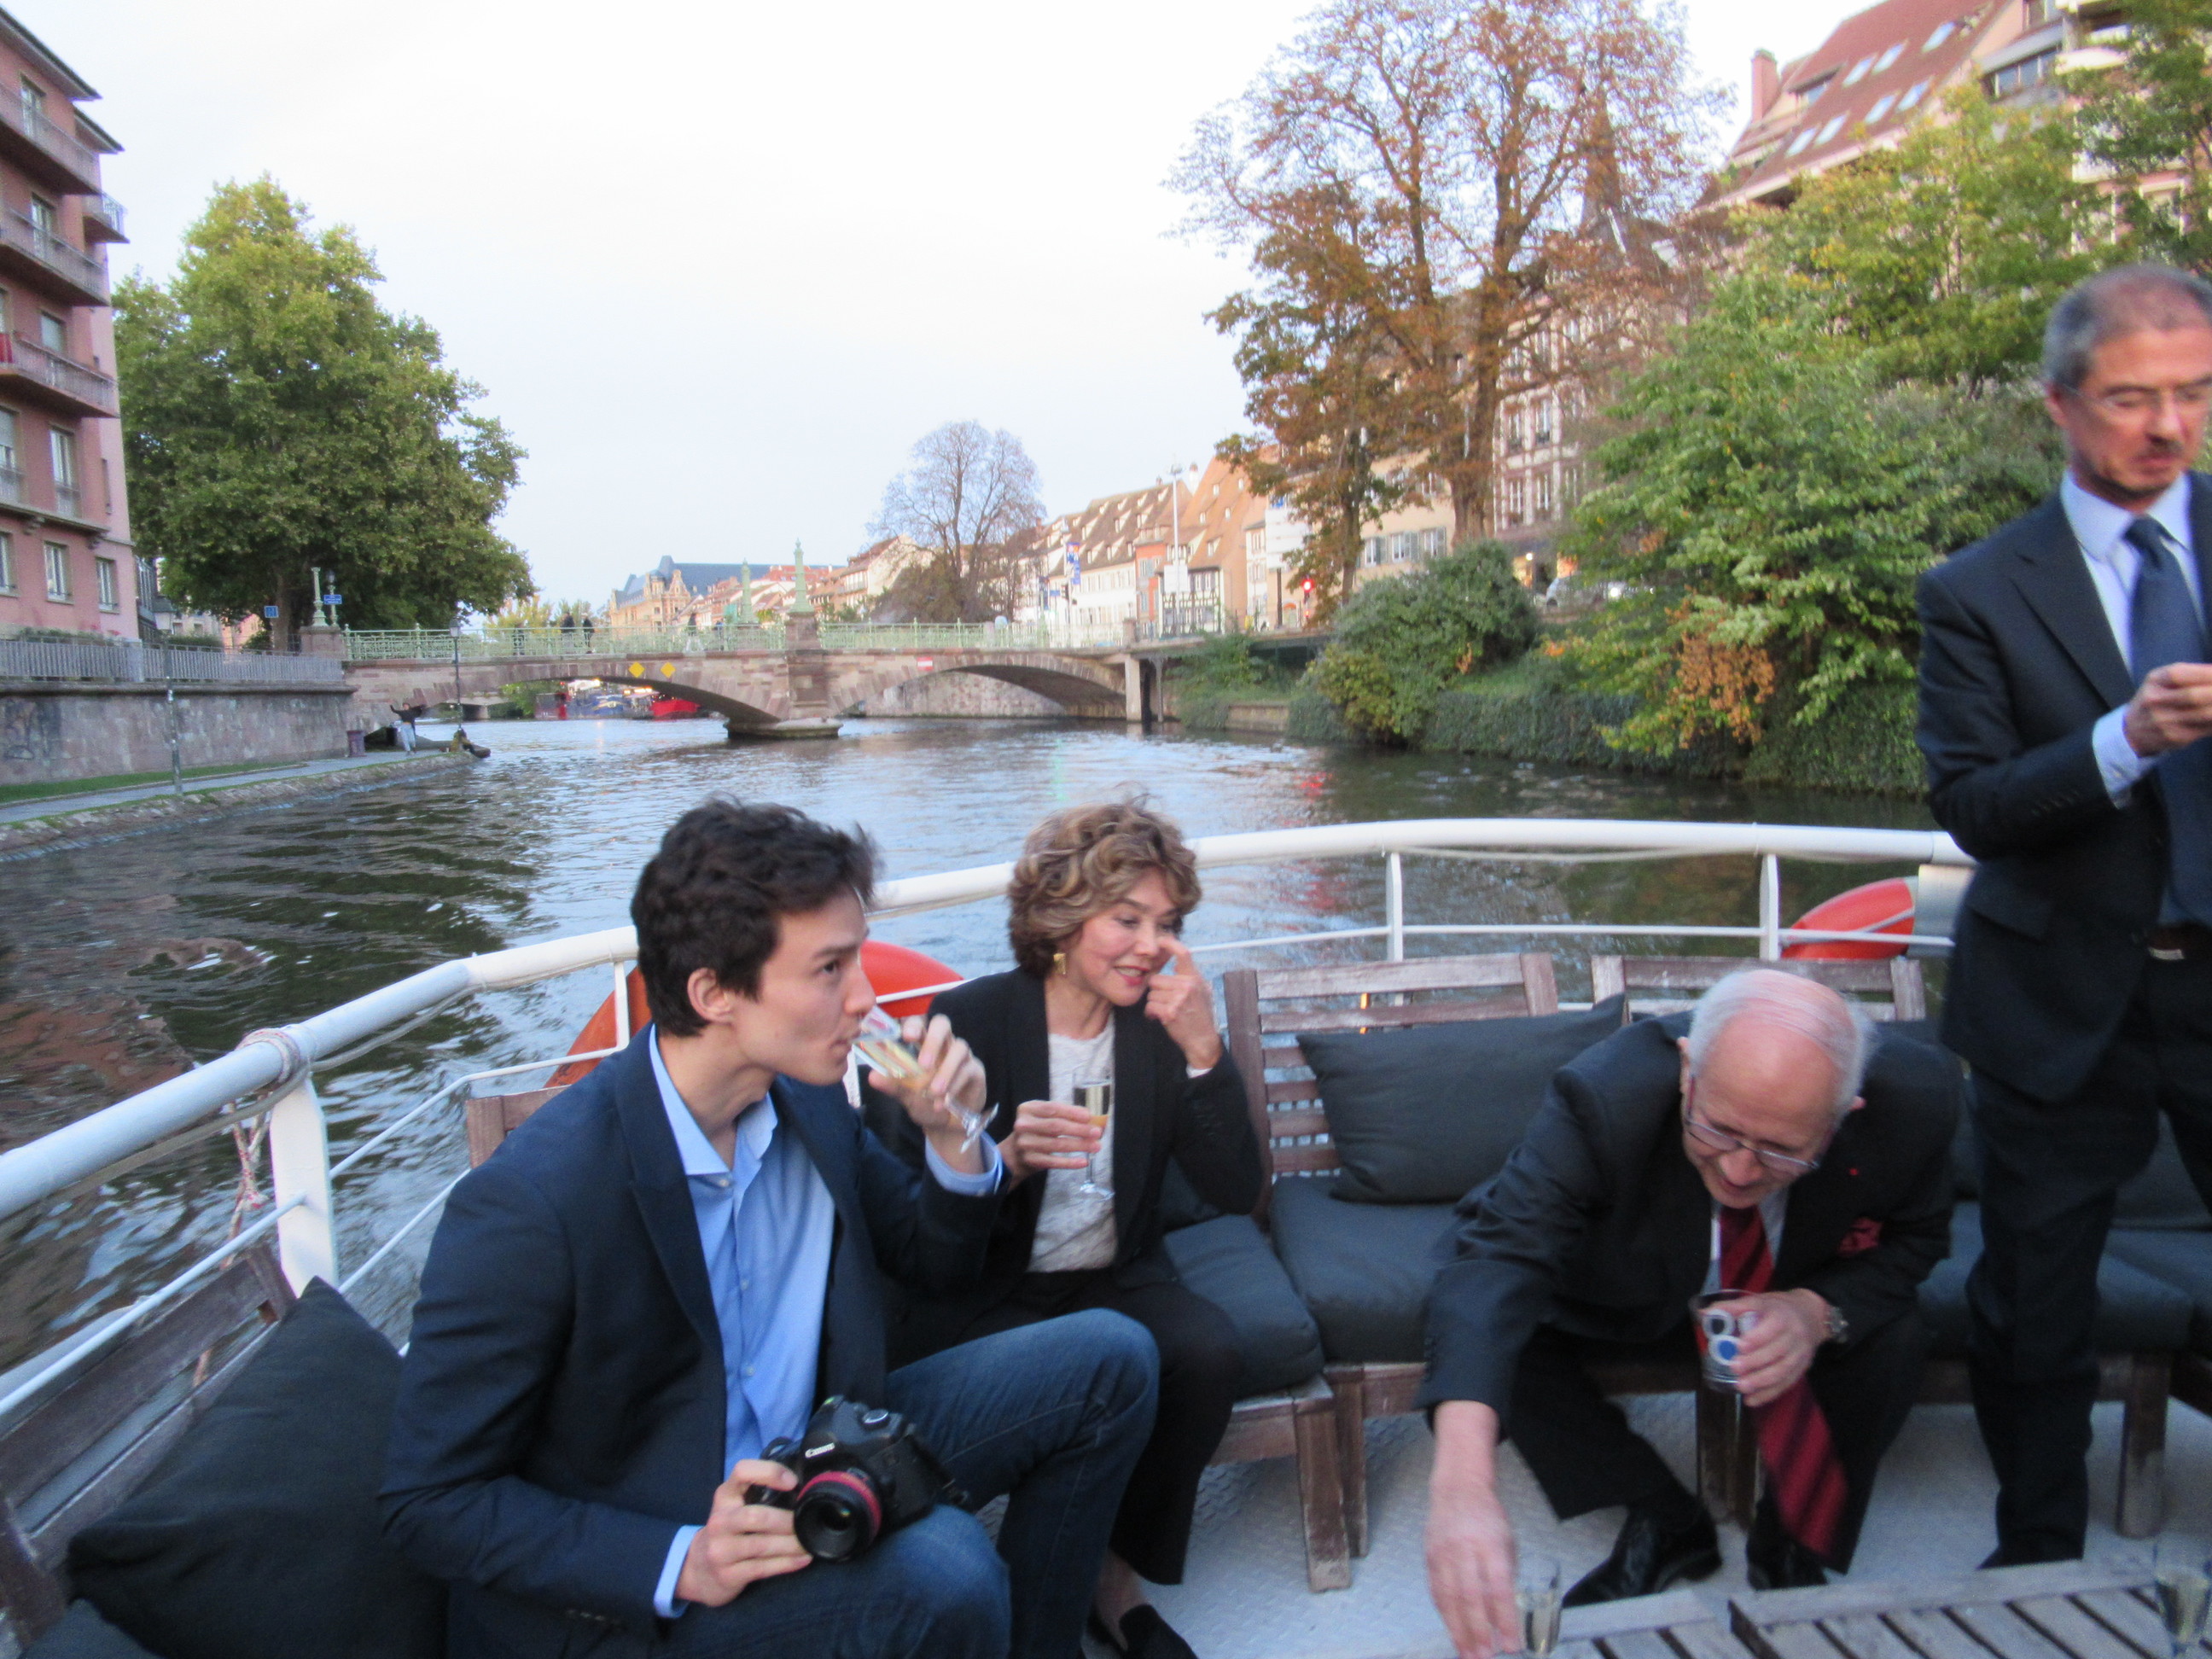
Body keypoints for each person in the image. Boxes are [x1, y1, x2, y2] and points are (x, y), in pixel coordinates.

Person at [381, 800, 1158, 1659]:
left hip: (814, 1459)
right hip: (659, 1579)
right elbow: (430, 1501)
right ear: (714, 992)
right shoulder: (535, 1201)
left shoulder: (808, 1105)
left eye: (857, 958)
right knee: (947, 1570)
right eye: (830, 969)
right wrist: (680, 1560)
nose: (866, 998)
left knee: (1112, 1362)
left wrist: (953, 1139)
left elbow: (931, 1265)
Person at [1915, 262, 2212, 1566]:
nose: (2168, 426)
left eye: (2195, 393)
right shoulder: (1977, 589)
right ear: (2061, 403)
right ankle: (2035, 1555)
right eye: (2133, 398)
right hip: (2055, 1000)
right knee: (2036, 1293)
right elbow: (1973, 805)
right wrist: (2122, 739)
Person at [1422, 970, 1959, 1658]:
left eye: (1782, 1149)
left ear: (1841, 1117)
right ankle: (1662, 1514)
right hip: (1618, 1284)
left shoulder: (1919, 1101)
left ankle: (1790, 1539)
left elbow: (1918, 1241)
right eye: (1718, 1129)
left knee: (1896, 1333)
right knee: (1490, 1325)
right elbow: (1500, 1260)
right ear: (1687, 1074)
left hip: (1782, 1291)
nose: (1739, 1171)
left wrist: (1814, 1311)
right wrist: (1462, 1482)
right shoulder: (1604, 1092)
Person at [865, 800, 1263, 1659]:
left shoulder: (1158, 1031)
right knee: (1061, 1380)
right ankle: (1030, 1577)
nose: (1152, 945)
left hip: (1111, 1274)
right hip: (991, 1286)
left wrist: (1205, 1051)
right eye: (1128, 919)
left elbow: (1236, 1189)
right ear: (1062, 917)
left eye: (1167, 924)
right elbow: (901, 1211)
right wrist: (1003, 1160)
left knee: (1208, 1353)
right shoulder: (970, 1020)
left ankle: (1112, 1572)